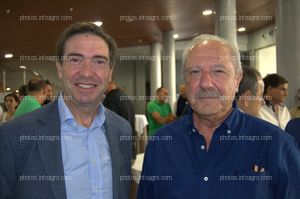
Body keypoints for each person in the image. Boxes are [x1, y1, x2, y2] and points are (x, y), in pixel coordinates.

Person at [137, 34, 300, 199]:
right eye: (195, 72)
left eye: (218, 71)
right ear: (185, 81)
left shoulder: (276, 144)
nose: (206, 83)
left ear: (237, 80)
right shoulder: (161, 145)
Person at [0, 22, 132, 199]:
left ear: (110, 72)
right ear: (59, 68)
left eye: (99, 61)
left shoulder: (122, 130)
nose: (87, 72)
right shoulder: (14, 136)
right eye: (75, 59)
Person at [103, 81, 136, 159]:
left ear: (108, 86)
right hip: (129, 146)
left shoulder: (110, 99)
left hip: (117, 150)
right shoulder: (125, 97)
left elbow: (110, 126)